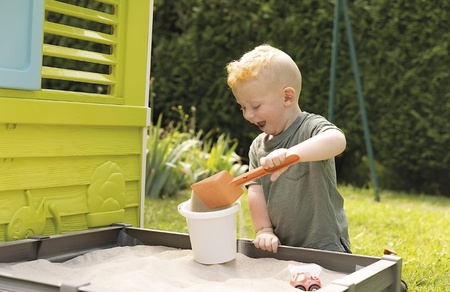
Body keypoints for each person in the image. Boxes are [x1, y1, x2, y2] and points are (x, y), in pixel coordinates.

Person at [226, 44, 351, 254]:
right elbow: (256, 193)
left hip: (325, 246)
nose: (248, 115)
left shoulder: (310, 127)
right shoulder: (258, 146)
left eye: (255, 106)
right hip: (282, 248)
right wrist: (264, 230)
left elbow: (337, 140)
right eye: (243, 107)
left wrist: (292, 155)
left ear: (287, 97)